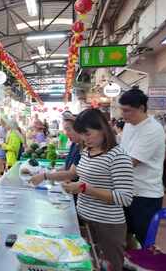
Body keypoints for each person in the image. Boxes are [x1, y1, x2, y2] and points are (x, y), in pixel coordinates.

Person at [29, 109, 134, 271]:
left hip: (107, 226)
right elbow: (72, 173)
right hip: (83, 220)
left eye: (88, 134)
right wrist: (45, 176)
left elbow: (125, 198)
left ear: (102, 129)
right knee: (88, 264)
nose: (85, 139)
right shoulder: (86, 151)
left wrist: (85, 188)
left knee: (109, 266)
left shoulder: (118, 156)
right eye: (82, 134)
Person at [118, 88, 166, 248]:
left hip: (145, 195)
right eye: (122, 110)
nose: (123, 115)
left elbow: (131, 161)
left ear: (141, 108)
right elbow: (122, 153)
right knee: (125, 235)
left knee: (145, 240)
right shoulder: (130, 125)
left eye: (127, 111)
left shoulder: (153, 129)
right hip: (127, 191)